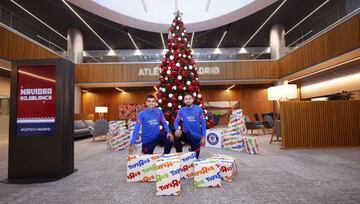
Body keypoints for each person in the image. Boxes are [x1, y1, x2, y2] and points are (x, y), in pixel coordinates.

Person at [173, 93, 206, 159]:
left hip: (196, 135)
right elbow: (176, 121)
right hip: (186, 134)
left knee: (194, 158)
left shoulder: (199, 109)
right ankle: (179, 155)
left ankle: (192, 150)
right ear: (184, 101)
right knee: (177, 137)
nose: (188, 100)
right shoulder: (181, 110)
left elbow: (203, 123)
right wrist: (177, 129)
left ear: (193, 100)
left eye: (189, 98)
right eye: (186, 99)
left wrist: (203, 136)